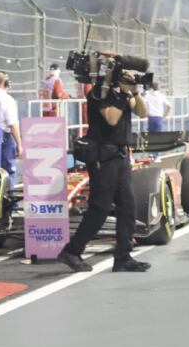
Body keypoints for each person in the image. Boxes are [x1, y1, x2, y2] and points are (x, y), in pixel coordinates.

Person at [57, 69, 149, 273]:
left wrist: (135, 93)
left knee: (128, 206)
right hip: (103, 157)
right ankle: (72, 250)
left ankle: (123, 257)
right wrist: (125, 94)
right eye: (125, 76)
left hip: (120, 156)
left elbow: (143, 112)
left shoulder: (122, 94)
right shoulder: (100, 92)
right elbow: (111, 119)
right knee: (100, 207)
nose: (129, 79)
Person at [0, 72, 22, 190]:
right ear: (6, 83)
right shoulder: (7, 99)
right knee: (7, 172)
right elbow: (12, 124)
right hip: (2, 137)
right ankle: (8, 205)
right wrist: (19, 144)